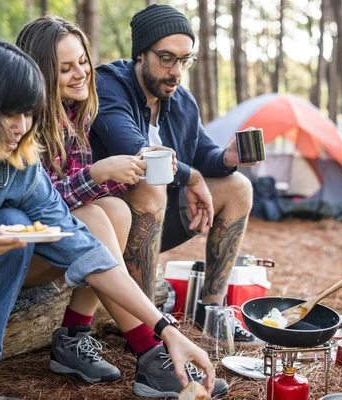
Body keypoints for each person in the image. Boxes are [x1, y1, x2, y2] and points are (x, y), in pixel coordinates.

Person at [0, 38, 220, 400]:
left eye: (29, 114)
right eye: (11, 114)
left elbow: (84, 248)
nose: (21, 127)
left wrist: (165, 330)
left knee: (13, 226)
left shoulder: (18, 159)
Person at [14, 17, 229, 398]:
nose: (82, 74)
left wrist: (126, 171)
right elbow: (36, 206)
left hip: (52, 246)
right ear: (40, 73)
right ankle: (150, 352)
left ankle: (72, 337)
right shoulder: (22, 121)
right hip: (12, 251)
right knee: (98, 213)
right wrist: (98, 174)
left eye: (82, 61)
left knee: (114, 209)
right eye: (66, 69)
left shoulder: (72, 111)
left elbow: (81, 191)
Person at [90, 4, 256, 342]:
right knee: (150, 183)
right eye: (166, 58)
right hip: (109, 227)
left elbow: (203, 154)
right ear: (140, 54)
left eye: (184, 60)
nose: (176, 72)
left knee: (238, 186)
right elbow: (144, 157)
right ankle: (146, 322)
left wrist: (227, 157)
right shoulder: (107, 86)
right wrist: (192, 178)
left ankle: (211, 309)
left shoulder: (182, 102)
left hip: (157, 225)